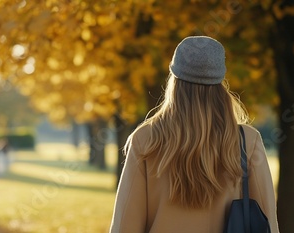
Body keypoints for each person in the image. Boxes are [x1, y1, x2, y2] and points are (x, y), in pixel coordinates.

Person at [110, 36, 279, 233]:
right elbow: (268, 222)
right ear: (220, 82)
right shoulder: (247, 141)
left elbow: (125, 227)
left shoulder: (145, 140)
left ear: (174, 80)